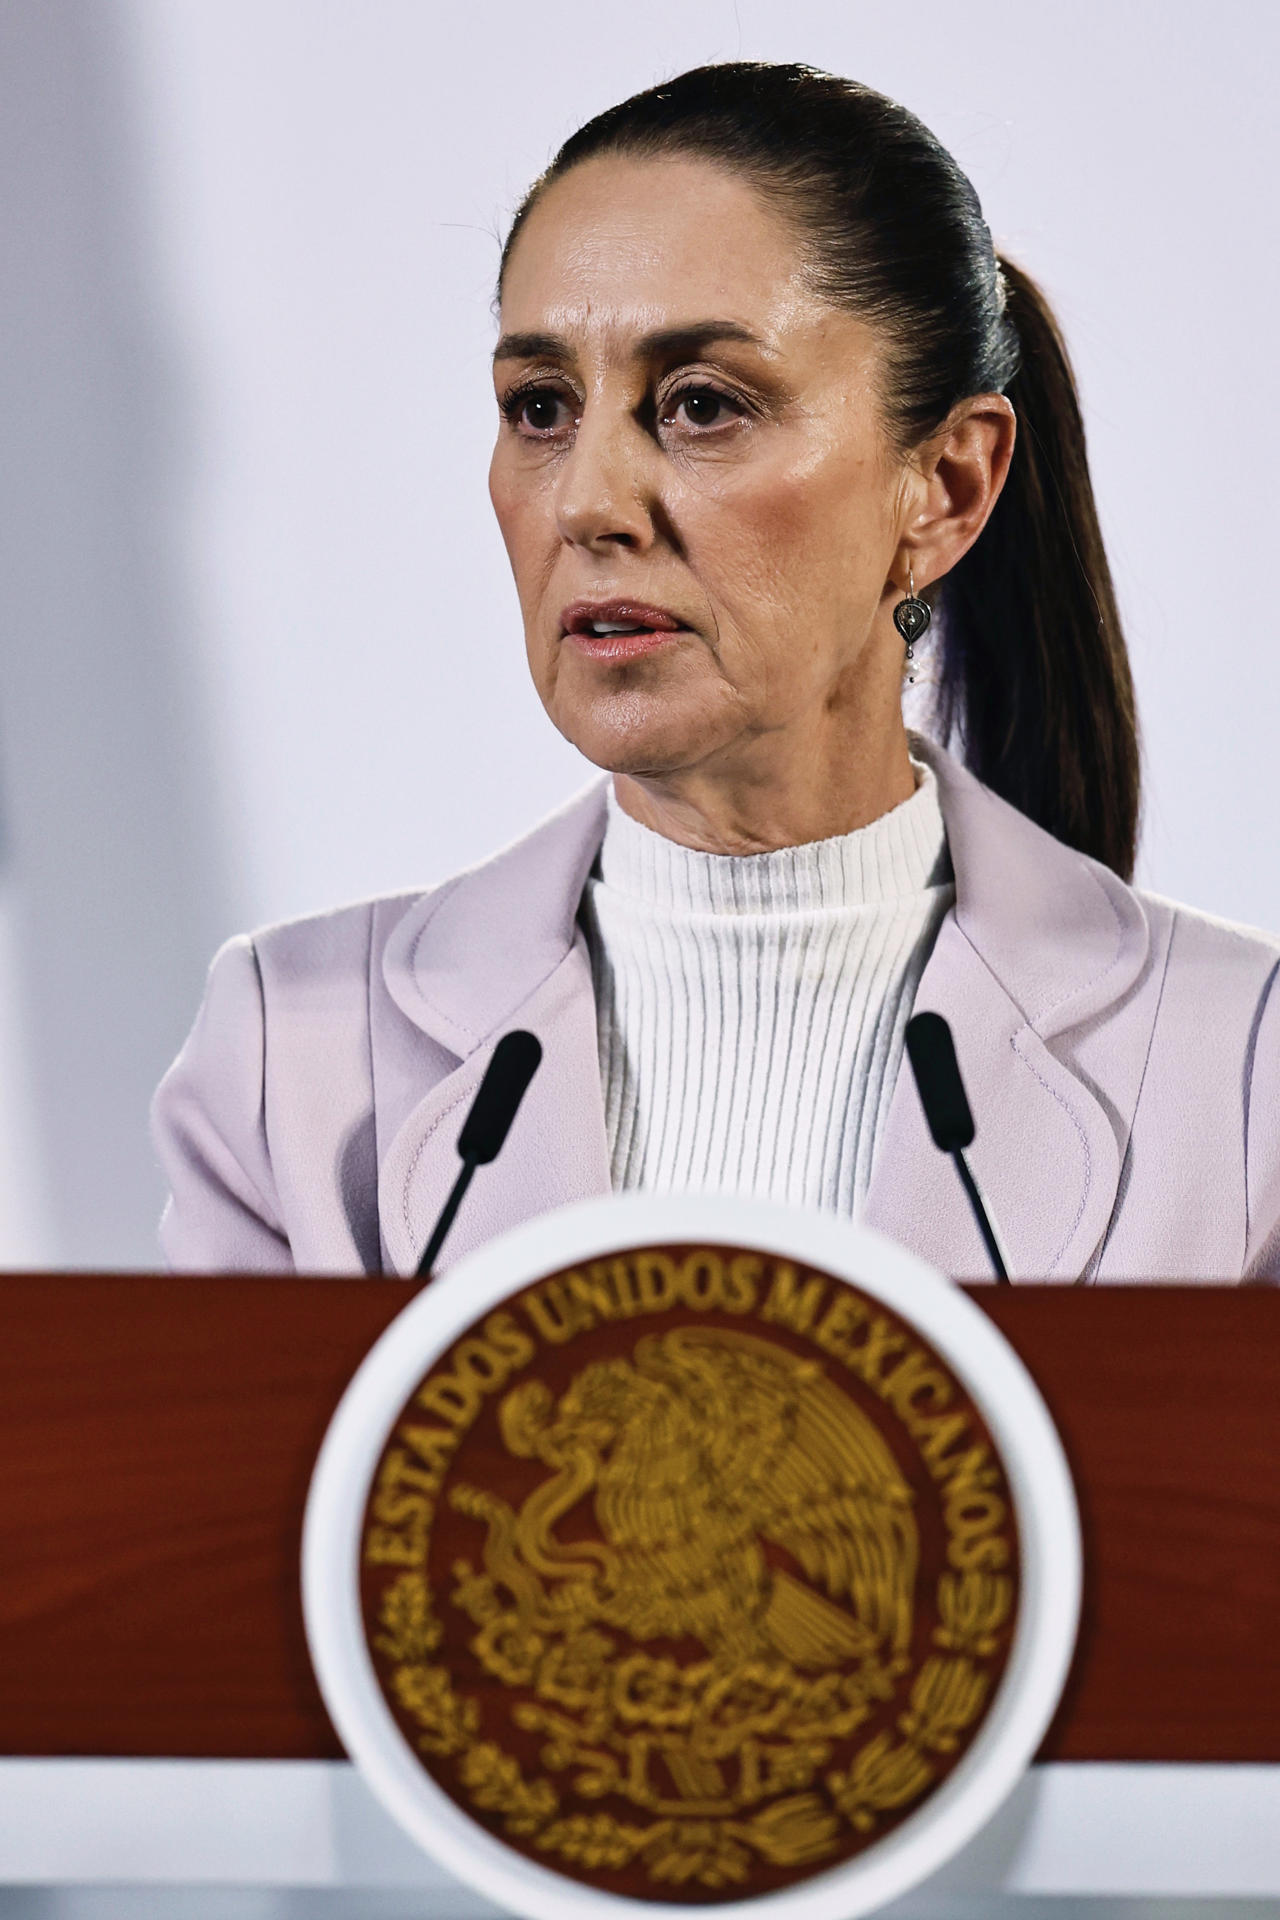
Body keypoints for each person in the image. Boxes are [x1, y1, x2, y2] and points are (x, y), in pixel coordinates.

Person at [151, 62, 1280, 1282]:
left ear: (946, 486)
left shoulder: (1237, 1071)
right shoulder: (297, 1058)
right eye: (539, 407)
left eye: (698, 404)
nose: (585, 502)